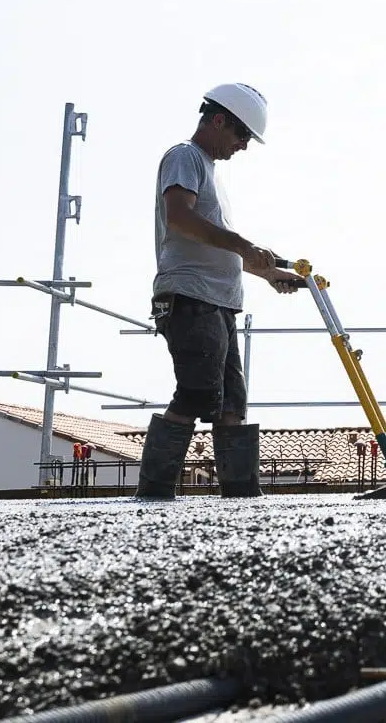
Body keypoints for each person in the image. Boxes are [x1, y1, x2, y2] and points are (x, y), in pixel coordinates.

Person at [135, 83, 300, 500]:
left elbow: (214, 246)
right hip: (191, 300)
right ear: (219, 120)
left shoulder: (209, 172)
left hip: (218, 304)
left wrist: (267, 274)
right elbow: (180, 219)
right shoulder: (184, 157)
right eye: (242, 135)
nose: (243, 146)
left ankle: (240, 498)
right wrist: (245, 245)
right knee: (196, 394)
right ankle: (152, 494)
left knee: (231, 406)